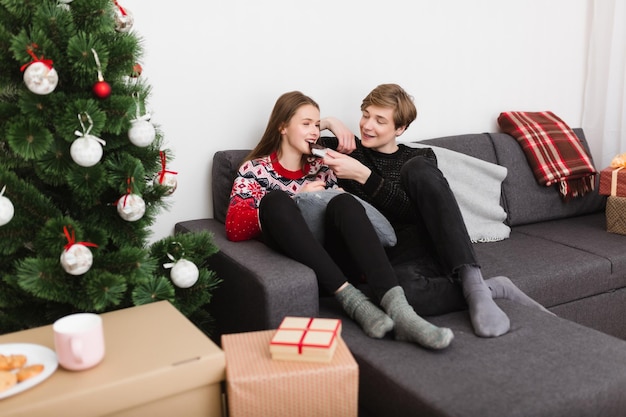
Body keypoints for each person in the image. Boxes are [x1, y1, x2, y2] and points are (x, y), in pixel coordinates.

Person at [225, 91, 454, 349]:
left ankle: (401, 312)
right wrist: (296, 197)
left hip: (338, 256)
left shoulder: (321, 164)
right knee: (275, 201)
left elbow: (346, 188)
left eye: (316, 124)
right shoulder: (255, 170)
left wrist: (332, 126)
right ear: (282, 126)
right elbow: (234, 227)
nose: (314, 131)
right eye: (306, 124)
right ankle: (352, 301)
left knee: (344, 201)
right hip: (303, 258)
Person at [320, 83, 551, 338]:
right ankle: (492, 288)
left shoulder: (420, 158)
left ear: (400, 128)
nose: (367, 125)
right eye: (365, 115)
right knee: (399, 298)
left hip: (427, 247)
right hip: (386, 257)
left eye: (380, 120)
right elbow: (289, 136)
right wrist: (329, 122)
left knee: (417, 168)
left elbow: (413, 213)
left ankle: (472, 281)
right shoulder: (346, 149)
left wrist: (365, 177)